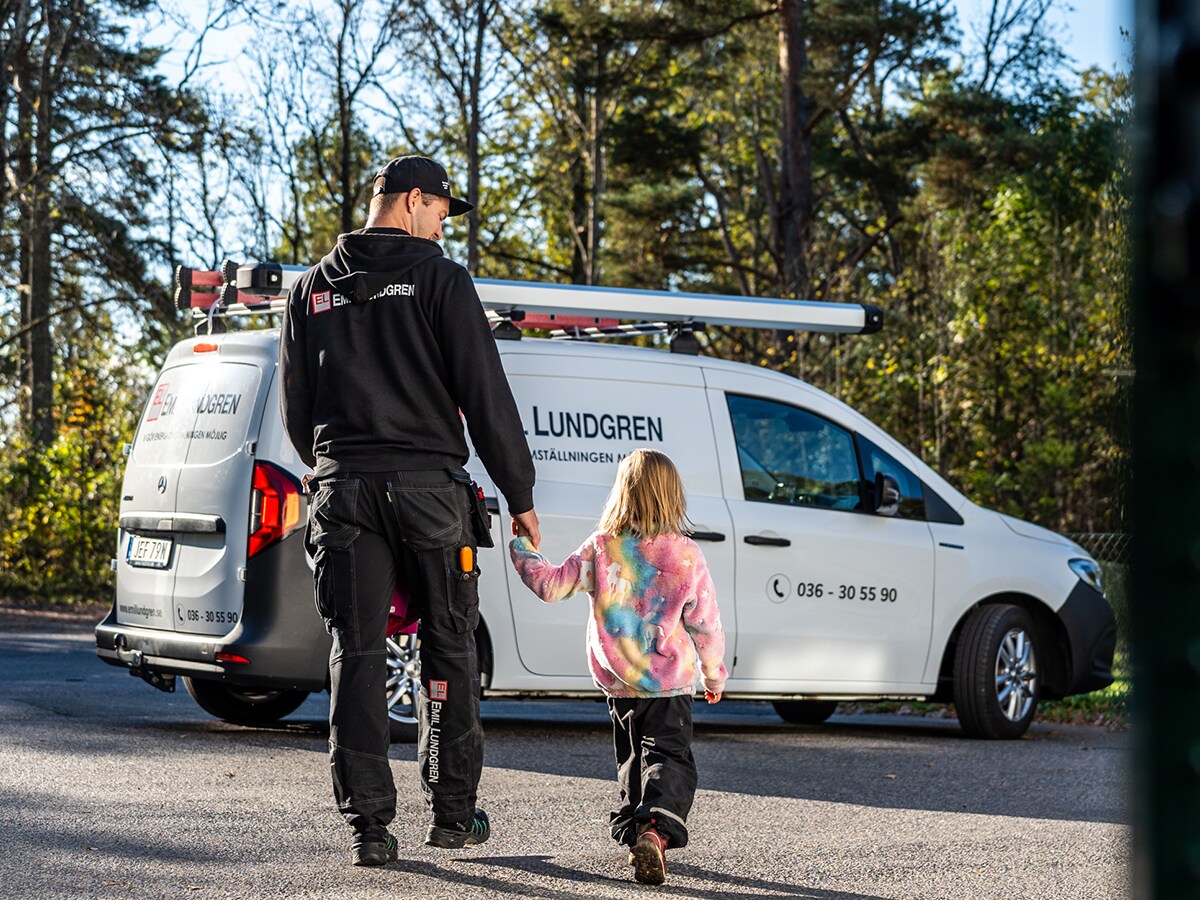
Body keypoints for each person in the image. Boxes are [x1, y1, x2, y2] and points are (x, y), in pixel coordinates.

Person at [279, 155, 541, 867]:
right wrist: (519, 495)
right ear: (412, 201)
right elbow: (485, 393)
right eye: (439, 212)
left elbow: (297, 414)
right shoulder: (440, 280)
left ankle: (368, 826)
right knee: (448, 645)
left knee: (356, 654)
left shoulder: (308, 291)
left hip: (343, 493)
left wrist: (339, 463)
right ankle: (453, 815)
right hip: (430, 492)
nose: (442, 227)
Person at [508, 448, 726, 886]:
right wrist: (713, 673)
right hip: (669, 683)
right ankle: (654, 831)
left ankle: (636, 832)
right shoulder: (685, 554)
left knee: (630, 759)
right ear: (673, 497)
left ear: (621, 493)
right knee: (669, 758)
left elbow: (551, 586)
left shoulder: (602, 548)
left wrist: (521, 547)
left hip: (619, 683)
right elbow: (704, 622)